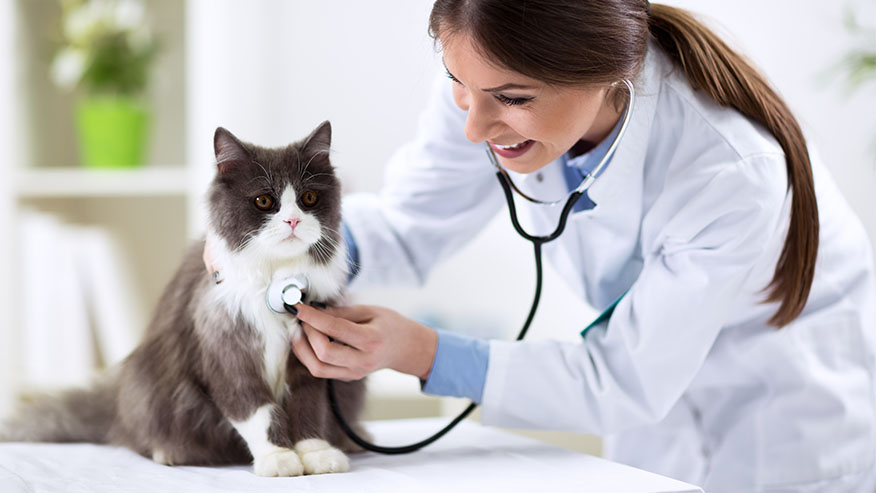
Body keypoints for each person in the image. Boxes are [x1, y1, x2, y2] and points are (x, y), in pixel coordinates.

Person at [210, 1, 876, 491]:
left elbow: (624, 377)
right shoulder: (485, 81)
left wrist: (423, 351)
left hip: (784, 411)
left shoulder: (726, 172)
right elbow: (411, 223)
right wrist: (283, 245)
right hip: (658, 429)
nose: (474, 126)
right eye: (459, 87)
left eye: (510, 99)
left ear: (607, 76)